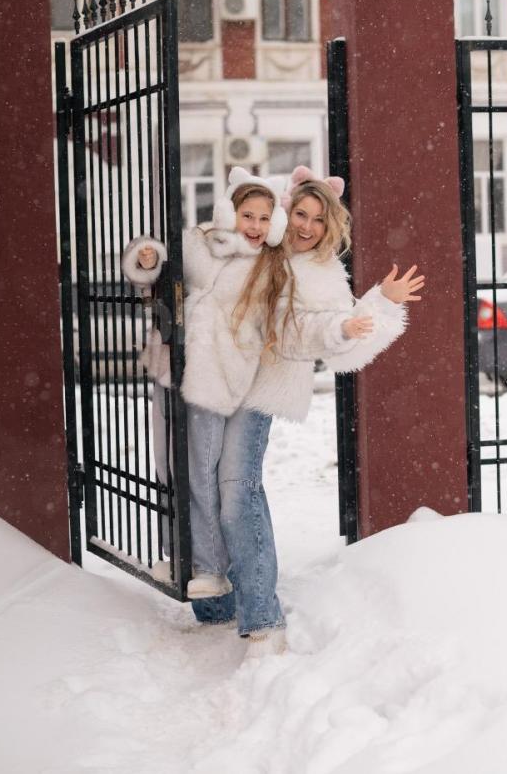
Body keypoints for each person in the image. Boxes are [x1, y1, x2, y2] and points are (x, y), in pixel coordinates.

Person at [190, 170, 424, 652]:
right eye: (300, 214)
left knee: (237, 491)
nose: (307, 227)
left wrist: (377, 305)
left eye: (319, 219)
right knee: (202, 481)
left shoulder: (322, 271)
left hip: (259, 390)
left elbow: (325, 327)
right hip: (217, 377)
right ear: (286, 211)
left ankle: (262, 617)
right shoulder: (259, 241)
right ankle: (214, 602)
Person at [122, 167, 291, 610]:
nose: (254, 226)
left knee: (203, 472)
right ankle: (180, 556)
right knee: (169, 468)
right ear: (229, 213)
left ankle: (210, 567)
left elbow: (275, 321)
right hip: (171, 369)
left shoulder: (269, 265)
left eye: (264, 218)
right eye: (247, 215)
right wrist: (147, 260)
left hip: (215, 379)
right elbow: (159, 278)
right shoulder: (199, 243)